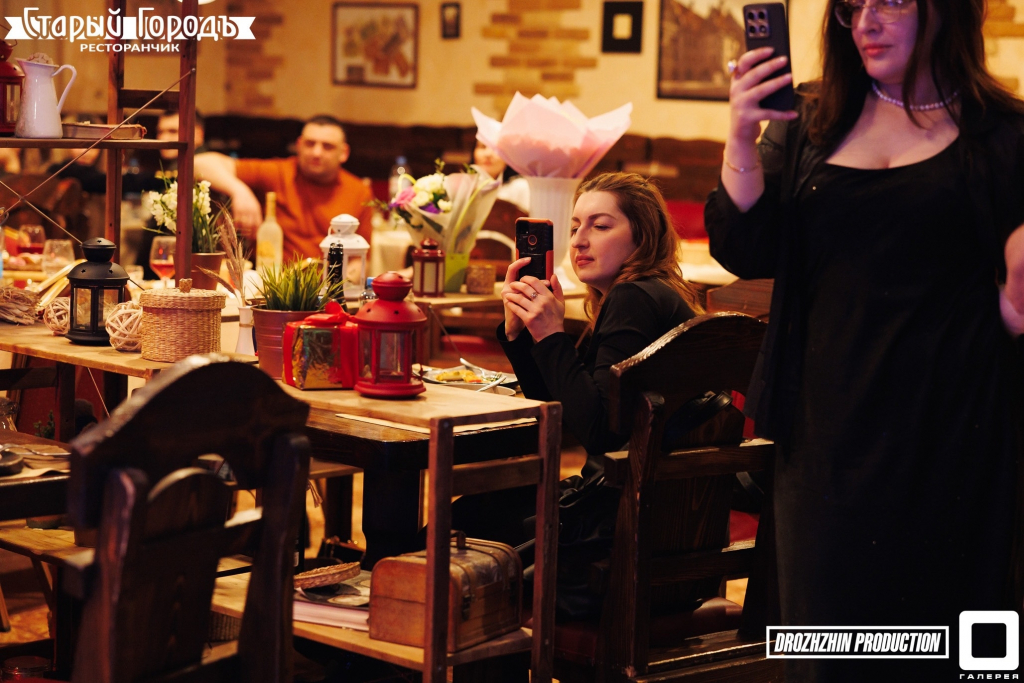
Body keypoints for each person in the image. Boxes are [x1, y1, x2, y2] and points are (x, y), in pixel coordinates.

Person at [704, 1, 1024, 679]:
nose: (867, 23)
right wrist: (740, 136)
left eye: (891, 1)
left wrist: (1013, 302)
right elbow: (744, 246)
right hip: (826, 437)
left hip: (956, 436)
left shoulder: (1004, 134)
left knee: (946, 650)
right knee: (831, 649)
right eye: (854, 6)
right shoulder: (809, 120)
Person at [450, 173, 702, 581]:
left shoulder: (634, 297)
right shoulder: (643, 294)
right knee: (477, 509)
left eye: (599, 226)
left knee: (457, 524)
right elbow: (565, 408)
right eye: (574, 227)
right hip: (654, 511)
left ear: (643, 237)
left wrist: (552, 336)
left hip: (623, 523)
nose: (579, 241)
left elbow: (598, 430)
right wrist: (521, 333)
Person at [194, 114, 373, 261]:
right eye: (310, 144)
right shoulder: (279, 172)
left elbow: (360, 259)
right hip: (276, 284)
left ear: (344, 153)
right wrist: (239, 191)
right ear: (299, 145)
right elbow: (199, 163)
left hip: (331, 286)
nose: (316, 152)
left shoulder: (359, 191)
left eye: (327, 147)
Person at [473, 140, 529, 212]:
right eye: (483, 147)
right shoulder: (465, 187)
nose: (488, 154)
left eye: (496, 148)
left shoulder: (520, 188)